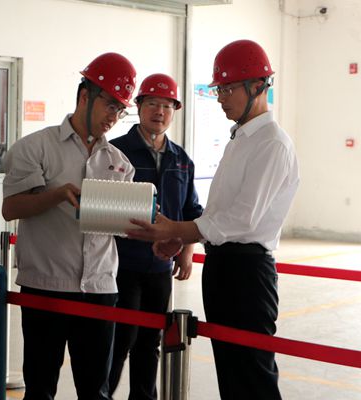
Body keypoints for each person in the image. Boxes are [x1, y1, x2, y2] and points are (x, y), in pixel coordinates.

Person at [126, 40, 299, 400]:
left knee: (253, 375)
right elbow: (219, 214)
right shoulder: (242, 139)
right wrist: (184, 237)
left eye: (228, 89)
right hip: (224, 266)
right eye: (219, 89)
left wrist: (177, 229)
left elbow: (243, 219)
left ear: (258, 87)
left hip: (247, 273)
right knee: (232, 374)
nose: (220, 98)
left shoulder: (272, 143)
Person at [2, 52, 137, 400]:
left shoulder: (119, 163)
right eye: (110, 105)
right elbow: (11, 207)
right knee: (40, 388)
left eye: (121, 110)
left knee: (95, 391)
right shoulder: (35, 148)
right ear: (85, 95)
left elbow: (121, 227)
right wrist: (57, 195)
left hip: (100, 287)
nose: (114, 117)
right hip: (45, 285)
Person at [108, 73, 203, 399]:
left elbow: (191, 210)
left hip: (160, 269)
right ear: (139, 107)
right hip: (121, 264)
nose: (159, 112)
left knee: (150, 342)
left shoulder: (181, 160)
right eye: (152, 103)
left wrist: (187, 251)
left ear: (174, 111)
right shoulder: (116, 152)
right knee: (120, 339)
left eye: (167, 105)